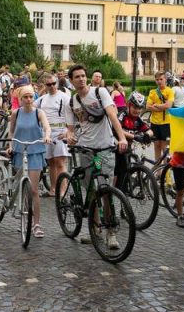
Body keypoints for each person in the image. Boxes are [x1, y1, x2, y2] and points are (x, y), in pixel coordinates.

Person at [66, 64, 129, 247]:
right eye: (77, 76)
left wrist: (122, 138)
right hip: (85, 149)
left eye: (83, 76)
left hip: (104, 149)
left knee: (105, 190)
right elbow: (70, 129)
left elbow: (112, 116)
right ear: (71, 81)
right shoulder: (72, 102)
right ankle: (95, 229)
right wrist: (70, 136)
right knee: (92, 191)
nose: (81, 79)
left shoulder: (100, 93)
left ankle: (111, 232)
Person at [8, 87, 52, 238]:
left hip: (35, 152)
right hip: (20, 151)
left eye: (30, 97)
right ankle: (24, 219)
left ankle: (36, 224)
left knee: (33, 190)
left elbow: (47, 126)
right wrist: (10, 145)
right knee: (23, 187)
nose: (28, 99)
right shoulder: (16, 113)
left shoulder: (38, 112)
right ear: (20, 99)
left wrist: (46, 136)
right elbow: (11, 131)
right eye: (25, 97)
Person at [37, 73, 72, 196]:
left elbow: (72, 114)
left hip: (60, 132)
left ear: (57, 83)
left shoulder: (64, 97)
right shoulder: (42, 99)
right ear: (45, 86)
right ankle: (53, 190)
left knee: (60, 162)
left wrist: (69, 130)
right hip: (47, 133)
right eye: (49, 84)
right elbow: (31, 108)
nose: (52, 86)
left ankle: (62, 191)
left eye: (54, 83)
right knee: (51, 163)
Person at [114, 92, 153, 190]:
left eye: (140, 108)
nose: (137, 110)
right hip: (115, 145)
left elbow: (149, 129)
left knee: (126, 166)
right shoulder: (122, 115)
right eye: (135, 107)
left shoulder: (137, 118)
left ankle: (124, 186)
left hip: (128, 146)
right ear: (129, 105)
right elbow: (118, 129)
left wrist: (147, 135)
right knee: (118, 168)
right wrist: (134, 136)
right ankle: (113, 189)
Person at [146, 71, 175, 162]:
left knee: (165, 149)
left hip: (165, 123)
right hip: (154, 123)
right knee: (156, 147)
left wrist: (156, 105)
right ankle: (158, 173)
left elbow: (168, 106)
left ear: (165, 80)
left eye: (161, 79)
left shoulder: (170, 91)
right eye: (157, 79)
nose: (159, 81)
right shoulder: (152, 92)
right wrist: (162, 107)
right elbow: (147, 107)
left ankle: (166, 175)